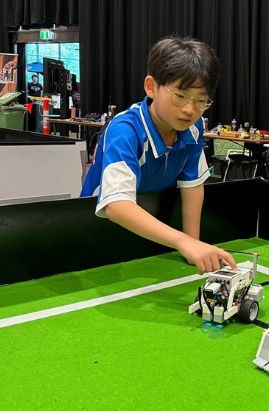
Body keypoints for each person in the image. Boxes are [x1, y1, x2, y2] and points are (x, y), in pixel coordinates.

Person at [81, 36, 236, 273]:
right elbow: (116, 205)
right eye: (180, 96)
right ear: (151, 86)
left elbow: (192, 186)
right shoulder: (125, 130)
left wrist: (193, 244)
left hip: (152, 236)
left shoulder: (194, 129)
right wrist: (184, 242)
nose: (189, 110)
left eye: (201, 101)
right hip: (96, 234)